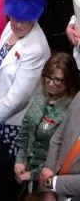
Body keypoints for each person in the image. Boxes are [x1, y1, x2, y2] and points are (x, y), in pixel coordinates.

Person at [0, 0, 51, 154]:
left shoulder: (37, 49)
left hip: (7, 121)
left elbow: (17, 98)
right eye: (14, 17)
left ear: (35, 18)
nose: (17, 25)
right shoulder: (9, 27)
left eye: (24, 21)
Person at [15, 53, 79, 192]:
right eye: (48, 77)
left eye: (58, 80)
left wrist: (33, 175)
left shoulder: (72, 110)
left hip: (48, 180)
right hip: (24, 168)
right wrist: (20, 160)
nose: (50, 83)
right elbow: (26, 129)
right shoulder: (41, 93)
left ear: (69, 80)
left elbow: (60, 153)